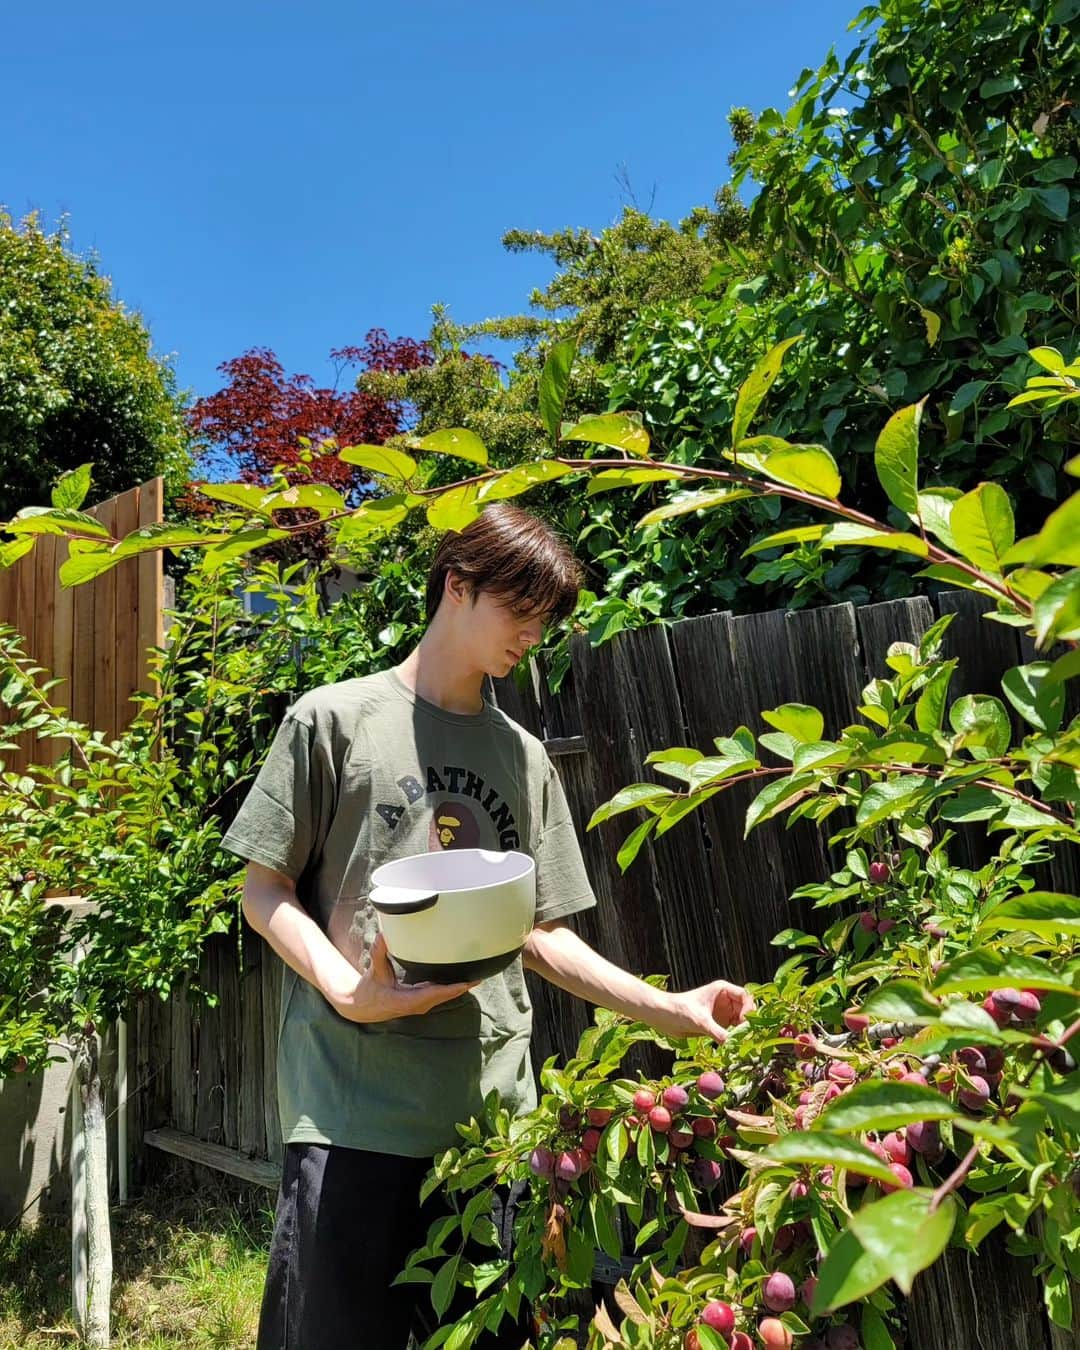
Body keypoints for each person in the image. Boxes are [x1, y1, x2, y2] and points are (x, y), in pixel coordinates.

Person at [223, 503, 754, 1349]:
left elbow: (541, 934)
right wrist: (347, 990)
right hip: (353, 1110)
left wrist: (672, 1009)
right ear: (457, 586)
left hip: (492, 1134)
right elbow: (263, 888)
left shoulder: (523, 755)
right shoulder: (333, 721)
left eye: (544, 620)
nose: (531, 636)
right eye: (520, 610)